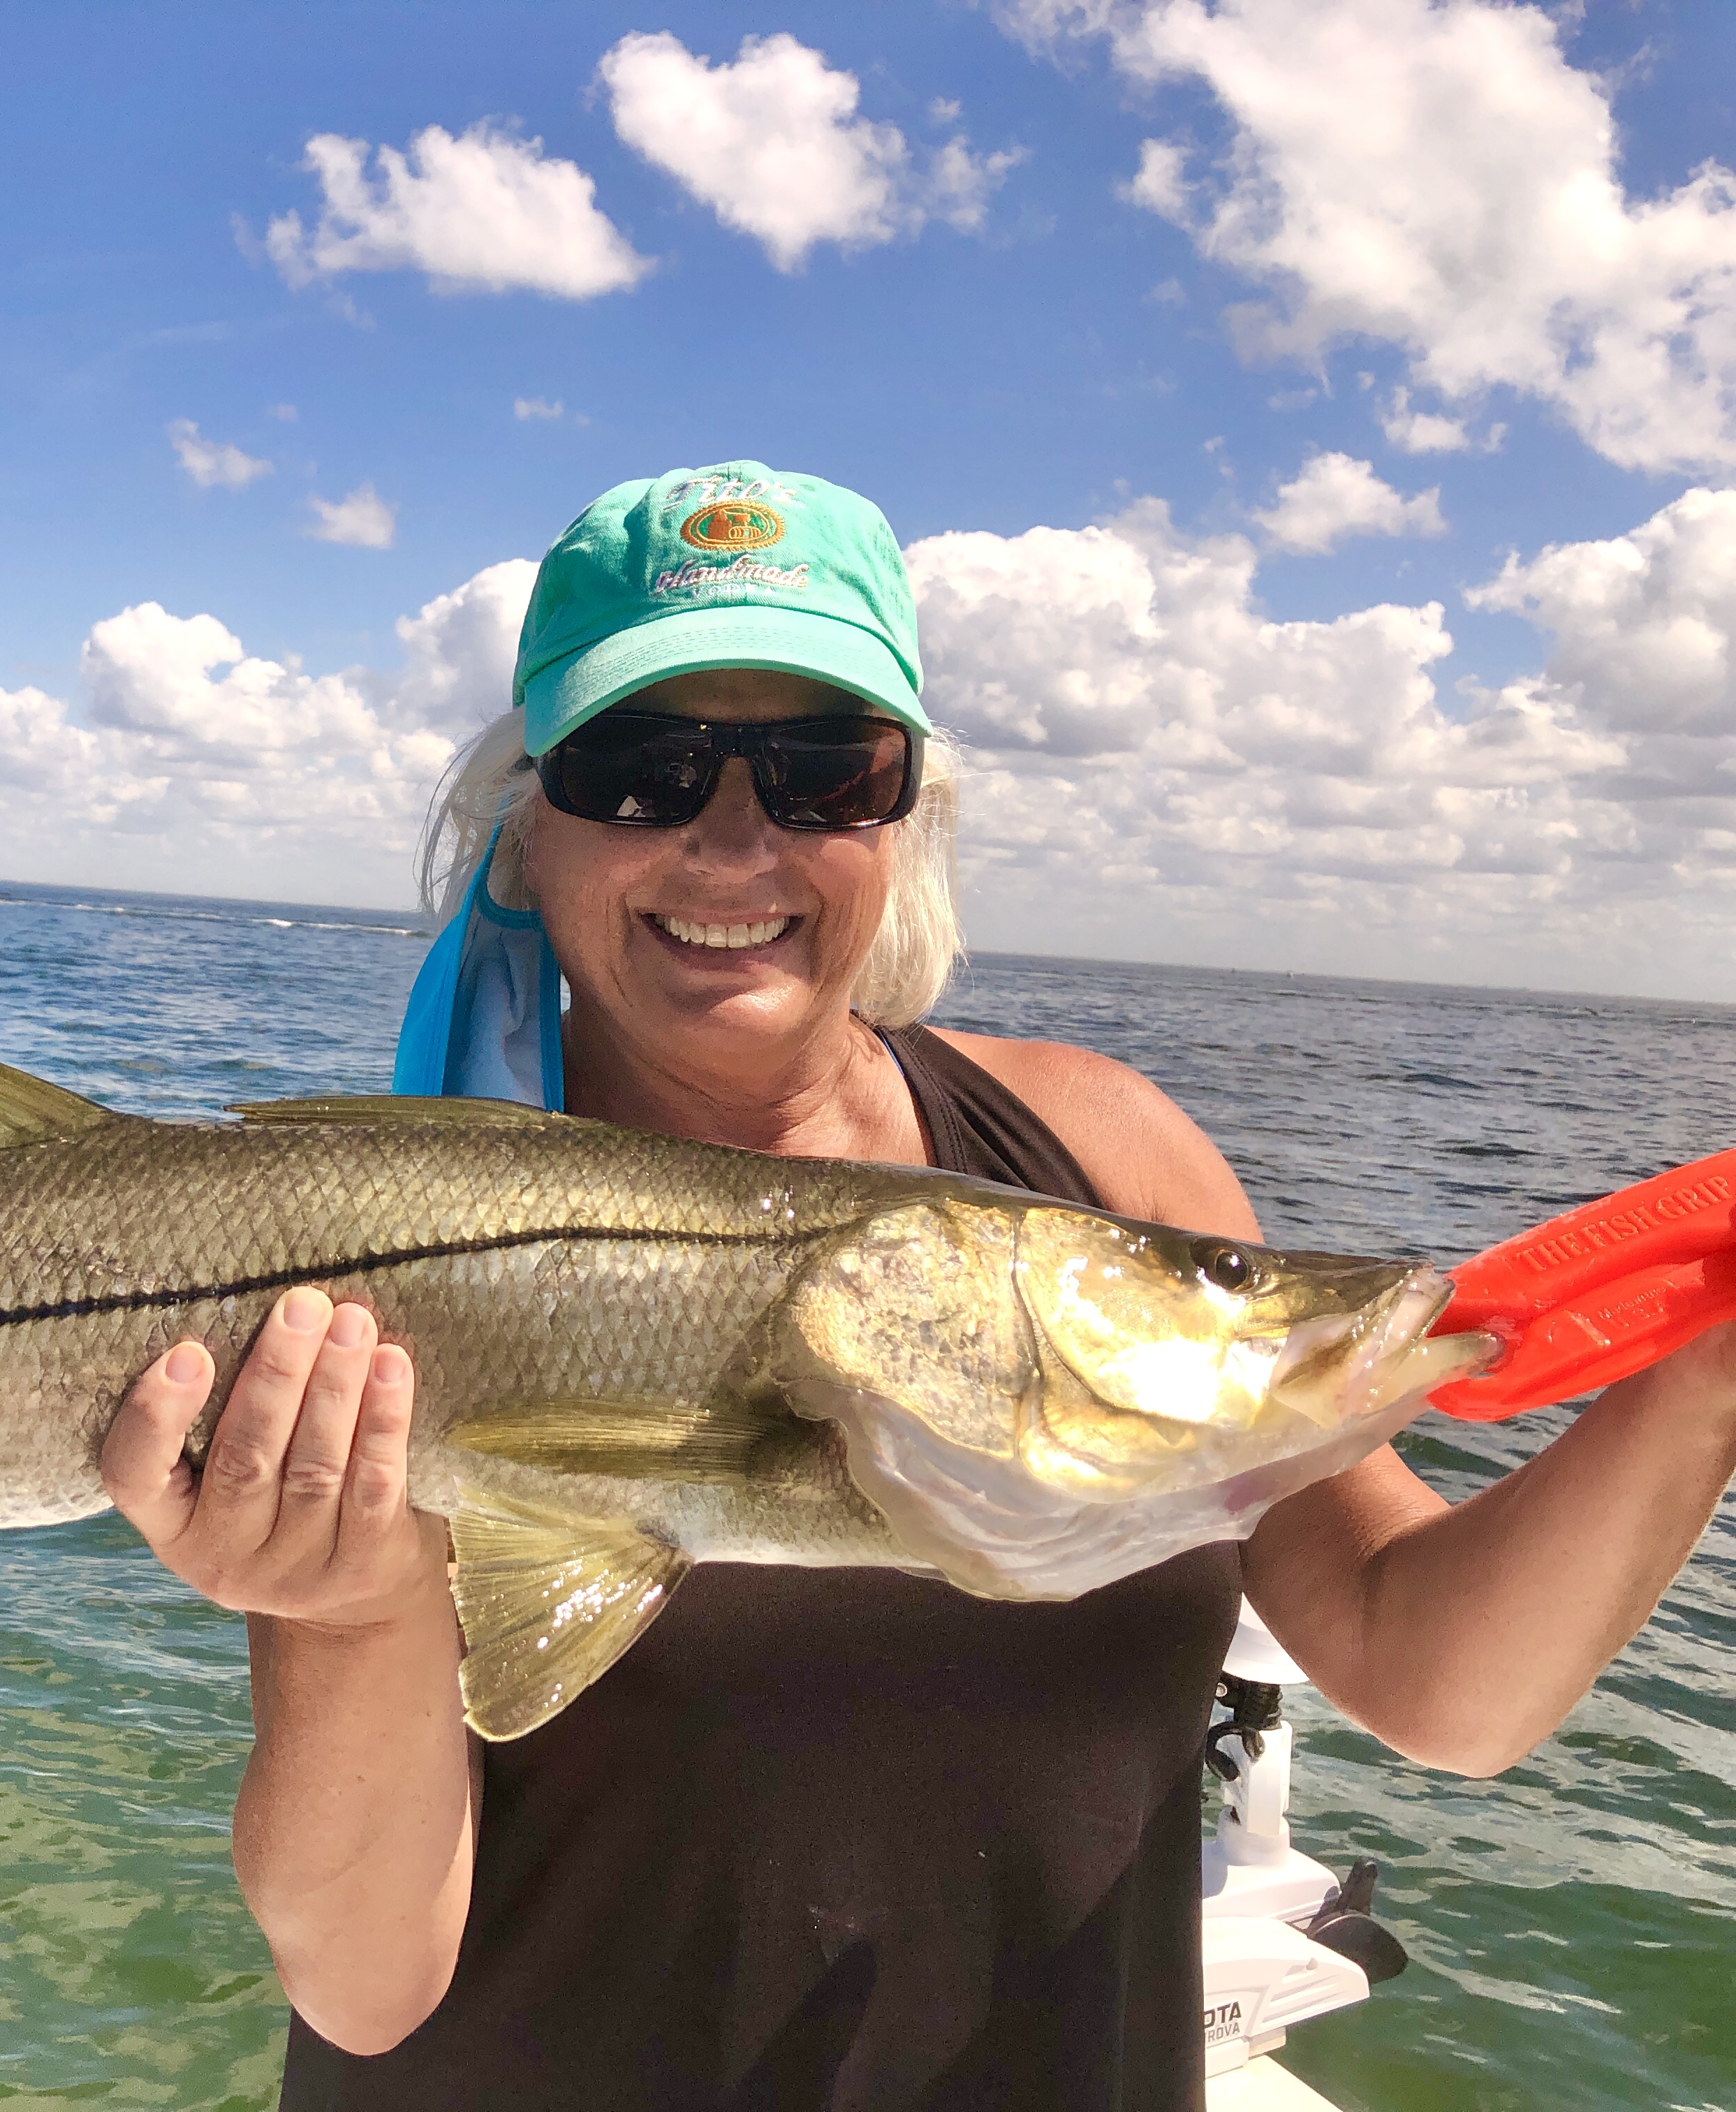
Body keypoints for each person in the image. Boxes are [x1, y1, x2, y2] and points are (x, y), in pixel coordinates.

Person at [98, 461, 1736, 2108]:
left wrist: (1711, 1369)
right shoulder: (382, 1262)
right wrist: (345, 1608)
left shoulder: (1100, 1152)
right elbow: (367, 1984)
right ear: (532, 821)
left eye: (826, 770)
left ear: (906, 815)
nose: (735, 841)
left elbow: (1436, 1678)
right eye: (643, 767)